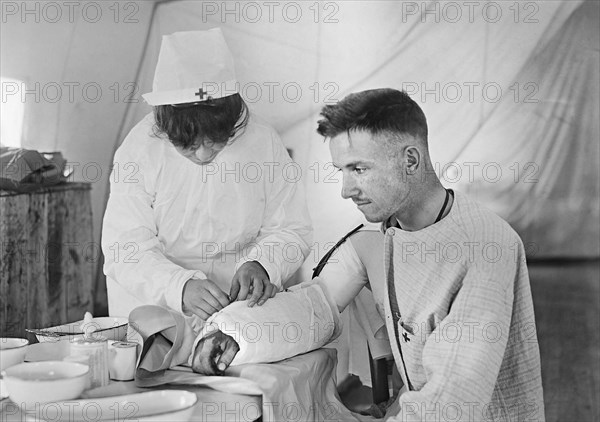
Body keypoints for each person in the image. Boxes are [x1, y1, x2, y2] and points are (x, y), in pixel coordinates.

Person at [190, 88, 545, 422]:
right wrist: (236, 333)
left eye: (359, 169)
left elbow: (451, 404)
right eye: (341, 171)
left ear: (411, 159)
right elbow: (317, 304)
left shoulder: (486, 247)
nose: (346, 190)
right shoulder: (378, 236)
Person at [101, 29, 312, 325]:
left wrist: (262, 264)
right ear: (165, 126)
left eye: (214, 141)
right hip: (156, 312)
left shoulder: (263, 143)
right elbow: (125, 248)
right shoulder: (139, 150)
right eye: (187, 145)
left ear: (231, 120)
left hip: (239, 310)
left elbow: (292, 228)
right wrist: (179, 286)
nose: (202, 155)